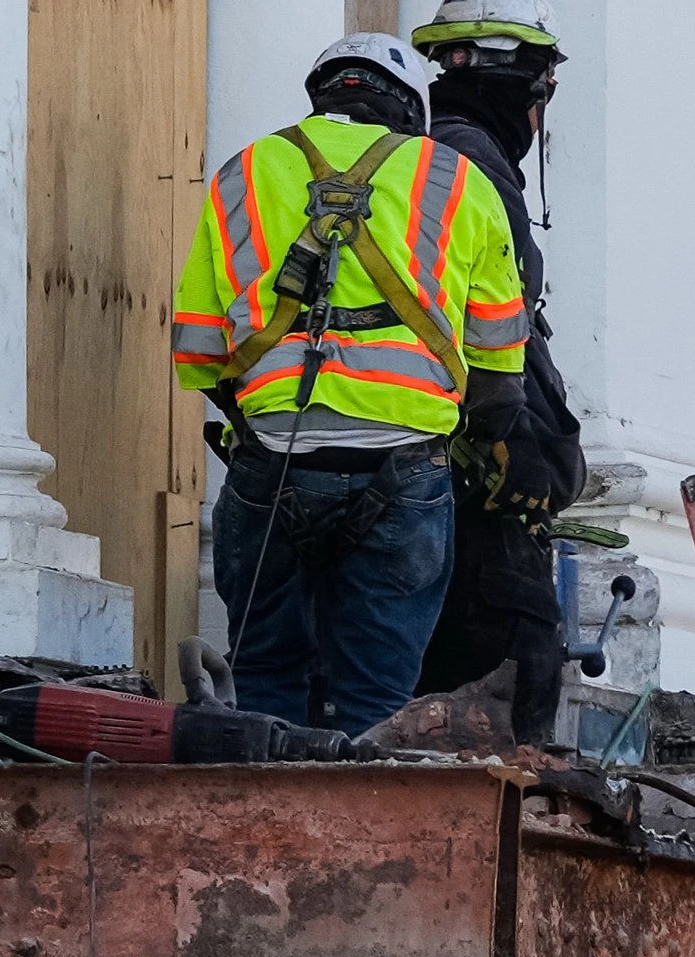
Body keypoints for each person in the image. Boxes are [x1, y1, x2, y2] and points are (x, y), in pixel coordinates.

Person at [173, 31, 532, 733]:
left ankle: (263, 799)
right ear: (409, 106)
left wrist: (261, 406)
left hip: (272, 459)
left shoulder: (242, 172)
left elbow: (199, 349)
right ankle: (365, 800)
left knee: (264, 681)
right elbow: (499, 369)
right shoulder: (457, 178)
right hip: (404, 469)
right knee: (379, 697)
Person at [412, 0, 586, 745]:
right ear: (523, 85)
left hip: (429, 490)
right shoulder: (470, 170)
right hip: (467, 499)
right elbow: (490, 336)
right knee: (510, 695)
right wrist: (514, 438)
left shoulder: (420, 160)